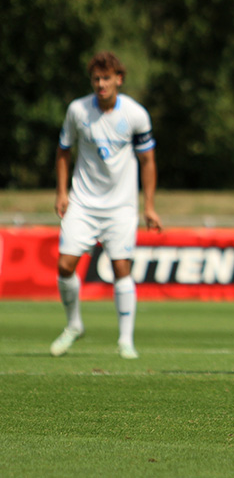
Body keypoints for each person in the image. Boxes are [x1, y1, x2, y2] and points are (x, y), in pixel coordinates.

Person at [51, 51, 161, 359]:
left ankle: (126, 340)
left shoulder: (136, 114)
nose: (101, 84)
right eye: (96, 79)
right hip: (83, 203)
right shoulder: (77, 110)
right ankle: (74, 325)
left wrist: (148, 206)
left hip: (121, 206)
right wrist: (62, 192)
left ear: (119, 80)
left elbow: (148, 160)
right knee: (64, 265)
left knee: (120, 268)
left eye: (107, 79)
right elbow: (63, 151)